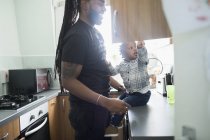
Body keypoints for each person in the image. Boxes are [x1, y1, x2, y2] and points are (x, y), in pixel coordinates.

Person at [54, 0, 130, 140]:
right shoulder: (78, 36)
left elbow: (98, 71)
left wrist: (118, 86)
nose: (104, 9)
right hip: (87, 115)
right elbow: (68, 81)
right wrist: (106, 102)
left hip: (98, 113)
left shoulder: (96, 34)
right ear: (85, 4)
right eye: (100, 4)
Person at [109, 41, 151, 127]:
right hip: (130, 93)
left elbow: (144, 57)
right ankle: (112, 117)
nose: (135, 49)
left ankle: (114, 123)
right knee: (117, 100)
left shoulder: (140, 61)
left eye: (135, 47)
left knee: (123, 103)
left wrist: (141, 48)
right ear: (123, 53)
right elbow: (112, 72)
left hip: (142, 95)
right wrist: (108, 65)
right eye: (131, 48)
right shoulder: (121, 64)